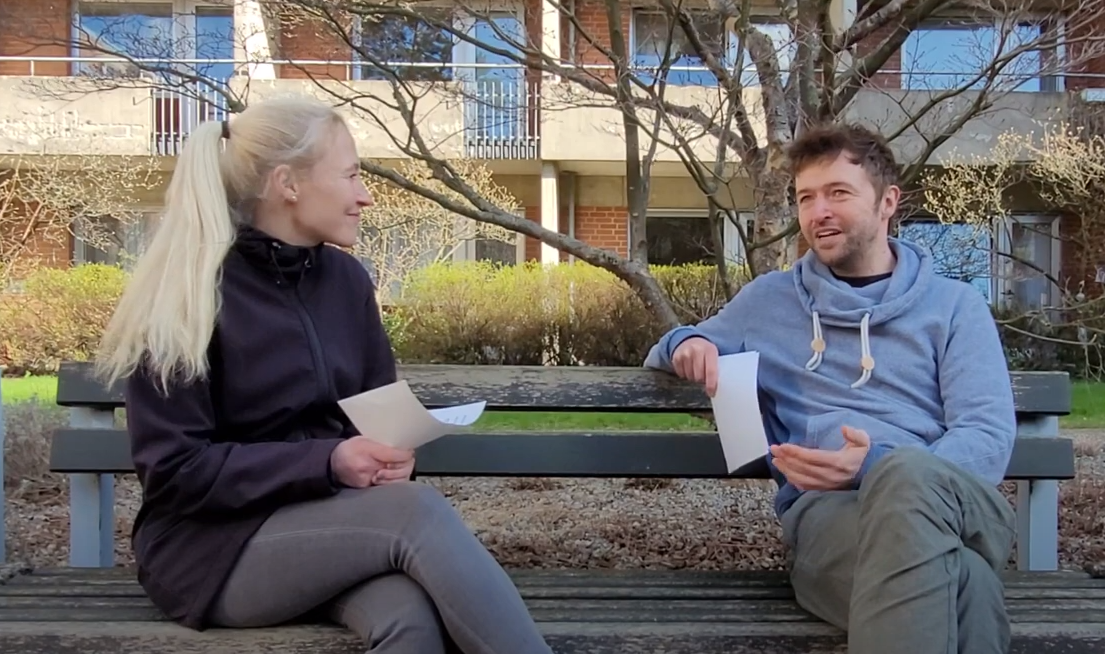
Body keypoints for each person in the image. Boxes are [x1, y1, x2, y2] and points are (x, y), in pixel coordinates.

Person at [94, 96, 554, 654]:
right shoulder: (186, 294)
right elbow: (174, 472)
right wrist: (328, 460)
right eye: (352, 175)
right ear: (288, 184)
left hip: (328, 528)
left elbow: (375, 415)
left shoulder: (346, 281)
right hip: (211, 550)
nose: (365, 195)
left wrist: (392, 453)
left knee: (412, 622)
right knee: (418, 514)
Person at [643, 123, 1017, 653]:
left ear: (888, 202)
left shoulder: (955, 306)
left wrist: (874, 466)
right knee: (967, 585)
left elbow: (986, 435)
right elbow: (678, 344)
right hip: (830, 517)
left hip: (951, 500)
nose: (818, 211)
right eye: (806, 197)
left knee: (905, 473)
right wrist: (687, 342)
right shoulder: (770, 301)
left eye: (838, 193)